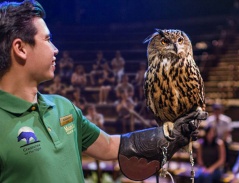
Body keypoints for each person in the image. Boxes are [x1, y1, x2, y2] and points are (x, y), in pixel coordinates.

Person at [0, 1, 207, 182]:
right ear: (20, 48)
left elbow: (109, 146)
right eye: (47, 39)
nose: (55, 49)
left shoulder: (63, 107)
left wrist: (165, 137)